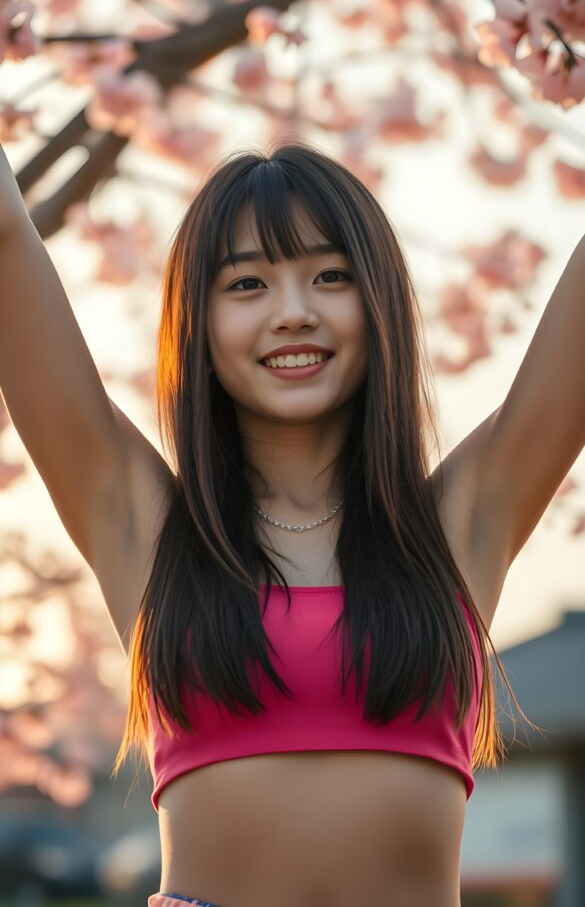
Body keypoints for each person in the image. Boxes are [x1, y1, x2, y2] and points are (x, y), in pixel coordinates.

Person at [0, 138, 582, 907]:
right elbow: (8, 242)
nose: (293, 313)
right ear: (199, 326)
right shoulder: (144, 529)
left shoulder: (459, 524)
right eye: (247, 283)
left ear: (378, 306)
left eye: (330, 276)